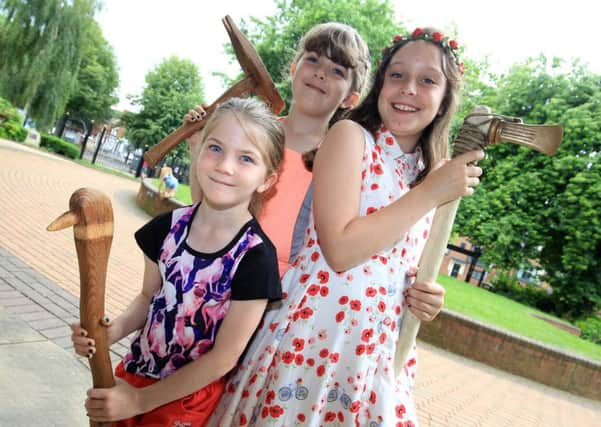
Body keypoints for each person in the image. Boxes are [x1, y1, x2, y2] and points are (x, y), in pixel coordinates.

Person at [209, 28, 484, 426]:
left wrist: (424, 294)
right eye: (397, 75)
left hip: (374, 352)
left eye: (427, 80)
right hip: (316, 335)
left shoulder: (429, 173)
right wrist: (428, 195)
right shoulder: (350, 137)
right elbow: (338, 249)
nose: (409, 88)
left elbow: (400, 263)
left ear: (445, 100)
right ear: (379, 85)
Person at [70, 97, 286, 426]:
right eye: (215, 148)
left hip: (185, 400)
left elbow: (223, 359)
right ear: (199, 152)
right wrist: (111, 333)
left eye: (245, 158)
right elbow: (148, 299)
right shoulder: (167, 227)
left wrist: (142, 400)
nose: (225, 166)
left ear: (267, 179)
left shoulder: (256, 257)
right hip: (133, 374)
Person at [186, 22, 371, 275]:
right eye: (313, 59)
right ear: (294, 69)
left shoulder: (340, 162)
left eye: (337, 71)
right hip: (215, 270)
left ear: (351, 98)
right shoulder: (251, 135)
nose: (320, 73)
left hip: (279, 291)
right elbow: (204, 208)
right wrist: (198, 145)